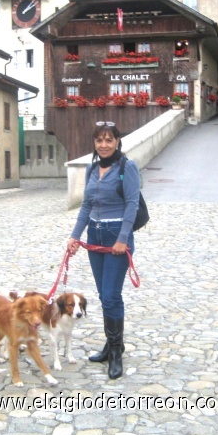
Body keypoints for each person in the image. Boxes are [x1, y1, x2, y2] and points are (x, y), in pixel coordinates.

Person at [67, 122, 140, 380]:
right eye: (99, 140)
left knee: (111, 296)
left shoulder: (126, 167)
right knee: (102, 294)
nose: (104, 145)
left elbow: (132, 204)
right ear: (95, 143)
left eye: (109, 140)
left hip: (116, 237)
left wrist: (123, 239)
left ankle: (117, 351)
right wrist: (75, 236)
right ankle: (110, 345)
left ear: (118, 141)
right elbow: (86, 205)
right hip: (94, 237)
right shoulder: (91, 169)